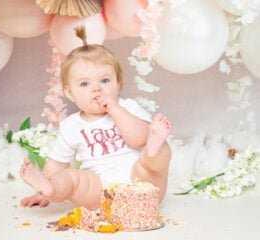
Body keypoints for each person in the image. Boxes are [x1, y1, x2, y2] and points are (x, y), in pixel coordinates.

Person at [20, 27, 172, 210]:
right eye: (84, 83)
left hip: (143, 188)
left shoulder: (128, 108)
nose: (97, 88)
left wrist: (115, 109)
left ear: (118, 83)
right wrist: (42, 190)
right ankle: (50, 188)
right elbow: (56, 163)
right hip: (100, 194)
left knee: (158, 152)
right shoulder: (71, 126)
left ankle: (154, 150)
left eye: (105, 80)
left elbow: (139, 139)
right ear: (70, 92)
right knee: (74, 178)